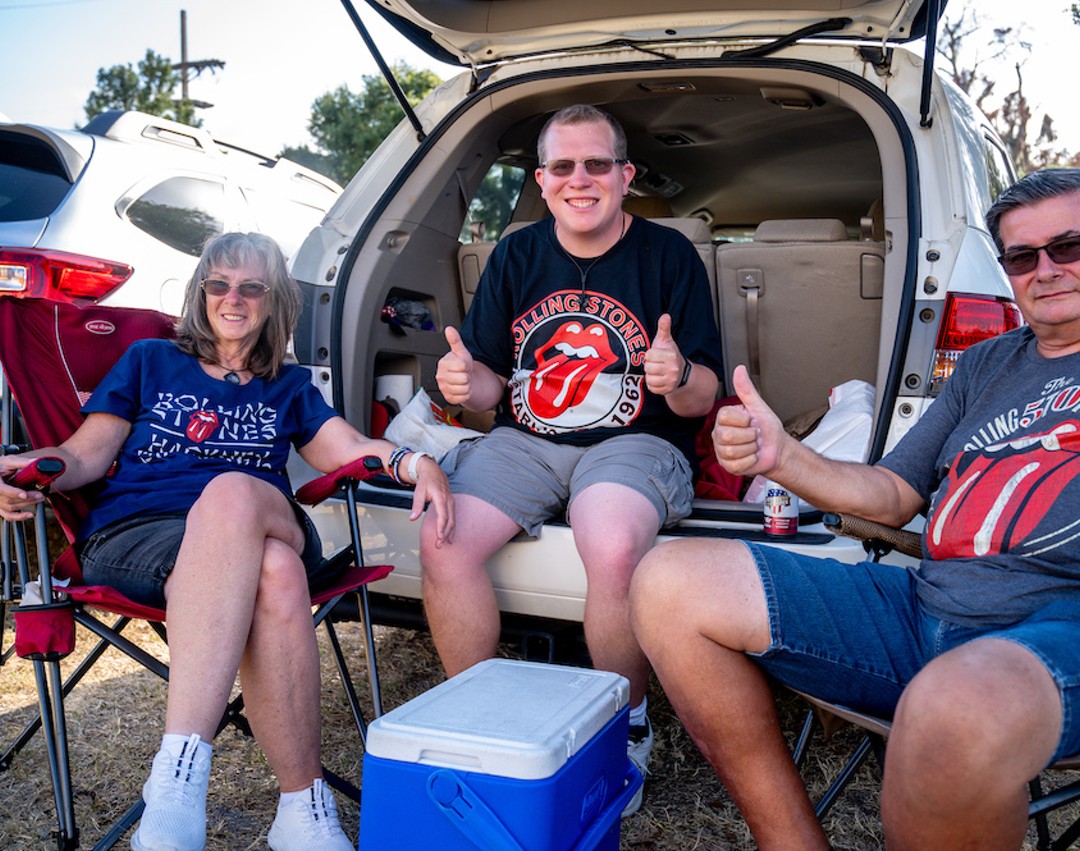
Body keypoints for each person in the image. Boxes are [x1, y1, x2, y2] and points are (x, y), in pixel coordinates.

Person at [629, 169, 1080, 850]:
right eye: (1023, 257)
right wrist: (785, 456)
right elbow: (892, 493)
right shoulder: (987, 365)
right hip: (928, 608)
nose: (1046, 270)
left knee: (952, 705)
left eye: (1068, 246)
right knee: (669, 582)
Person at [0, 232, 454, 851]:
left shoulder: (288, 387)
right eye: (218, 284)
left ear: (274, 302)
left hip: (259, 513)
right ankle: (303, 809)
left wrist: (413, 462)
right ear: (200, 293)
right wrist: (24, 468)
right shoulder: (148, 362)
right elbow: (83, 456)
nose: (232, 297)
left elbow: (348, 450)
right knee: (275, 571)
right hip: (138, 537)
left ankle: (177, 779)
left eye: (251, 286)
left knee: (234, 493)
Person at [418, 103, 722, 814]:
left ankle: (626, 723)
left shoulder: (668, 255)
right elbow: (491, 382)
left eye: (595, 164)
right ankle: (484, 719)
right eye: (562, 166)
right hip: (525, 441)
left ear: (625, 175)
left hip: (635, 442)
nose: (578, 179)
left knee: (610, 541)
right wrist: (467, 384)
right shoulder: (518, 253)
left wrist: (676, 375)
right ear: (542, 178)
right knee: (445, 535)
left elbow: (700, 396)